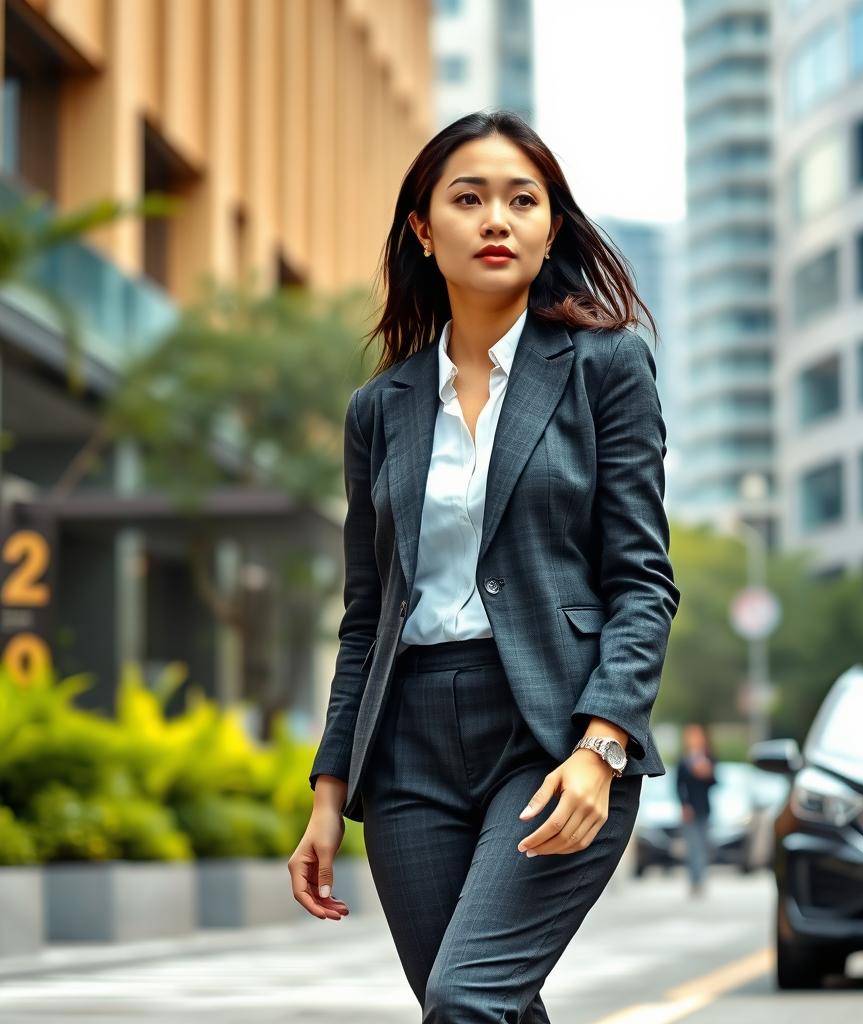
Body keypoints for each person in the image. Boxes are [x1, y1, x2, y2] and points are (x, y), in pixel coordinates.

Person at [287, 109, 680, 1023]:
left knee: (466, 1000)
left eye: (522, 200)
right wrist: (327, 792)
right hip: (407, 751)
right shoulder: (378, 409)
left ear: (551, 227)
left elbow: (642, 582)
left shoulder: (607, 367)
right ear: (424, 230)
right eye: (468, 199)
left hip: (549, 734)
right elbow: (365, 618)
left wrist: (601, 747)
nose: (496, 219)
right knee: (481, 1007)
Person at [675, 724, 717, 898]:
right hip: (689, 810)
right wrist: (684, 804)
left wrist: (707, 773)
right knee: (693, 847)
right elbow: (677, 785)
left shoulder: (709, 758)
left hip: (705, 809)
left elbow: (715, 782)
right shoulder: (684, 761)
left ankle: (701, 879)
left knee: (704, 845)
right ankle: (694, 880)